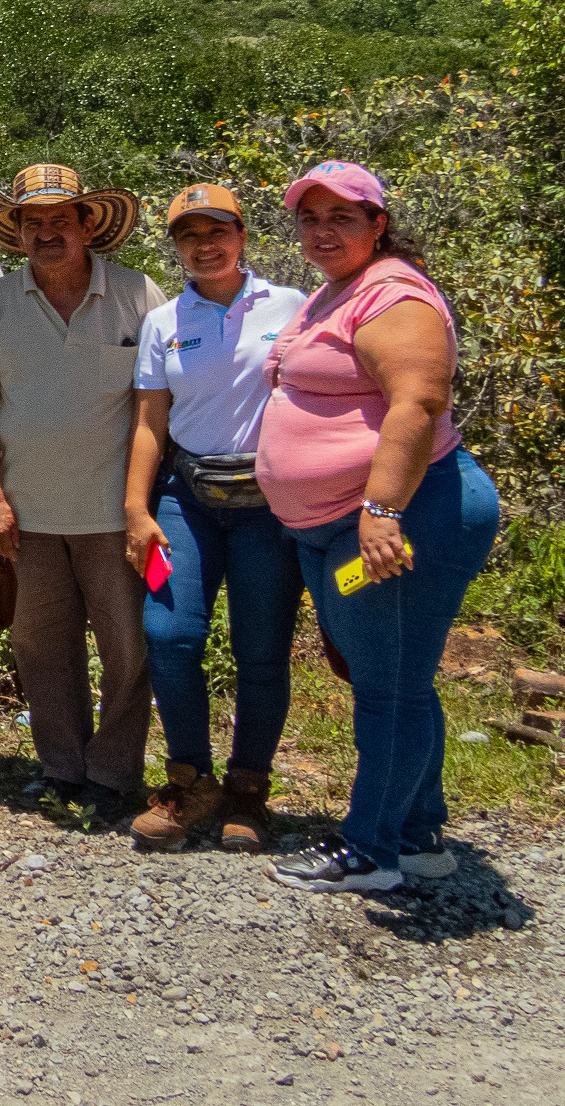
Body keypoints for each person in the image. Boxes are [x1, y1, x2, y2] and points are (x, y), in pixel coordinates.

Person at [258, 161, 500, 895]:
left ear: (379, 224)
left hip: (403, 516)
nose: (323, 231)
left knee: (388, 687)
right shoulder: (340, 293)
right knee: (392, 676)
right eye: (310, 217)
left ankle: (372, 848)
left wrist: (382, 510)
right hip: (343, 523)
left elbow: (418, 402)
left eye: (343, 217)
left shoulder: (396, 295)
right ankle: (418, 832)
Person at [0, 163, 165, 820]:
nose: (46, 233)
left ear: (87, 225)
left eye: (59, 220)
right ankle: (63, 767)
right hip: (28, 516)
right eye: (32, 222)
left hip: (117, 516)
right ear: (17, 233)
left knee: (128, 644)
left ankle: (114, 774)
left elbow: (158, 405)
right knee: (41, 644)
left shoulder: (138, 296)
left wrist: (144, 506)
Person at [121, 184, 308, 853]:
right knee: (169, 635)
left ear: (242, 236)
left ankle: (249, 792)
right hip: (188, 496)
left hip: (270, 505)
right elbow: (149, 420)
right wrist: (136, 509)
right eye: (189, 236)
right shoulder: (164, 321)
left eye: (217, 232)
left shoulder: (293, 308)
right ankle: (190, 782)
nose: (205, 246)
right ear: (176, 246)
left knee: (262, 651)